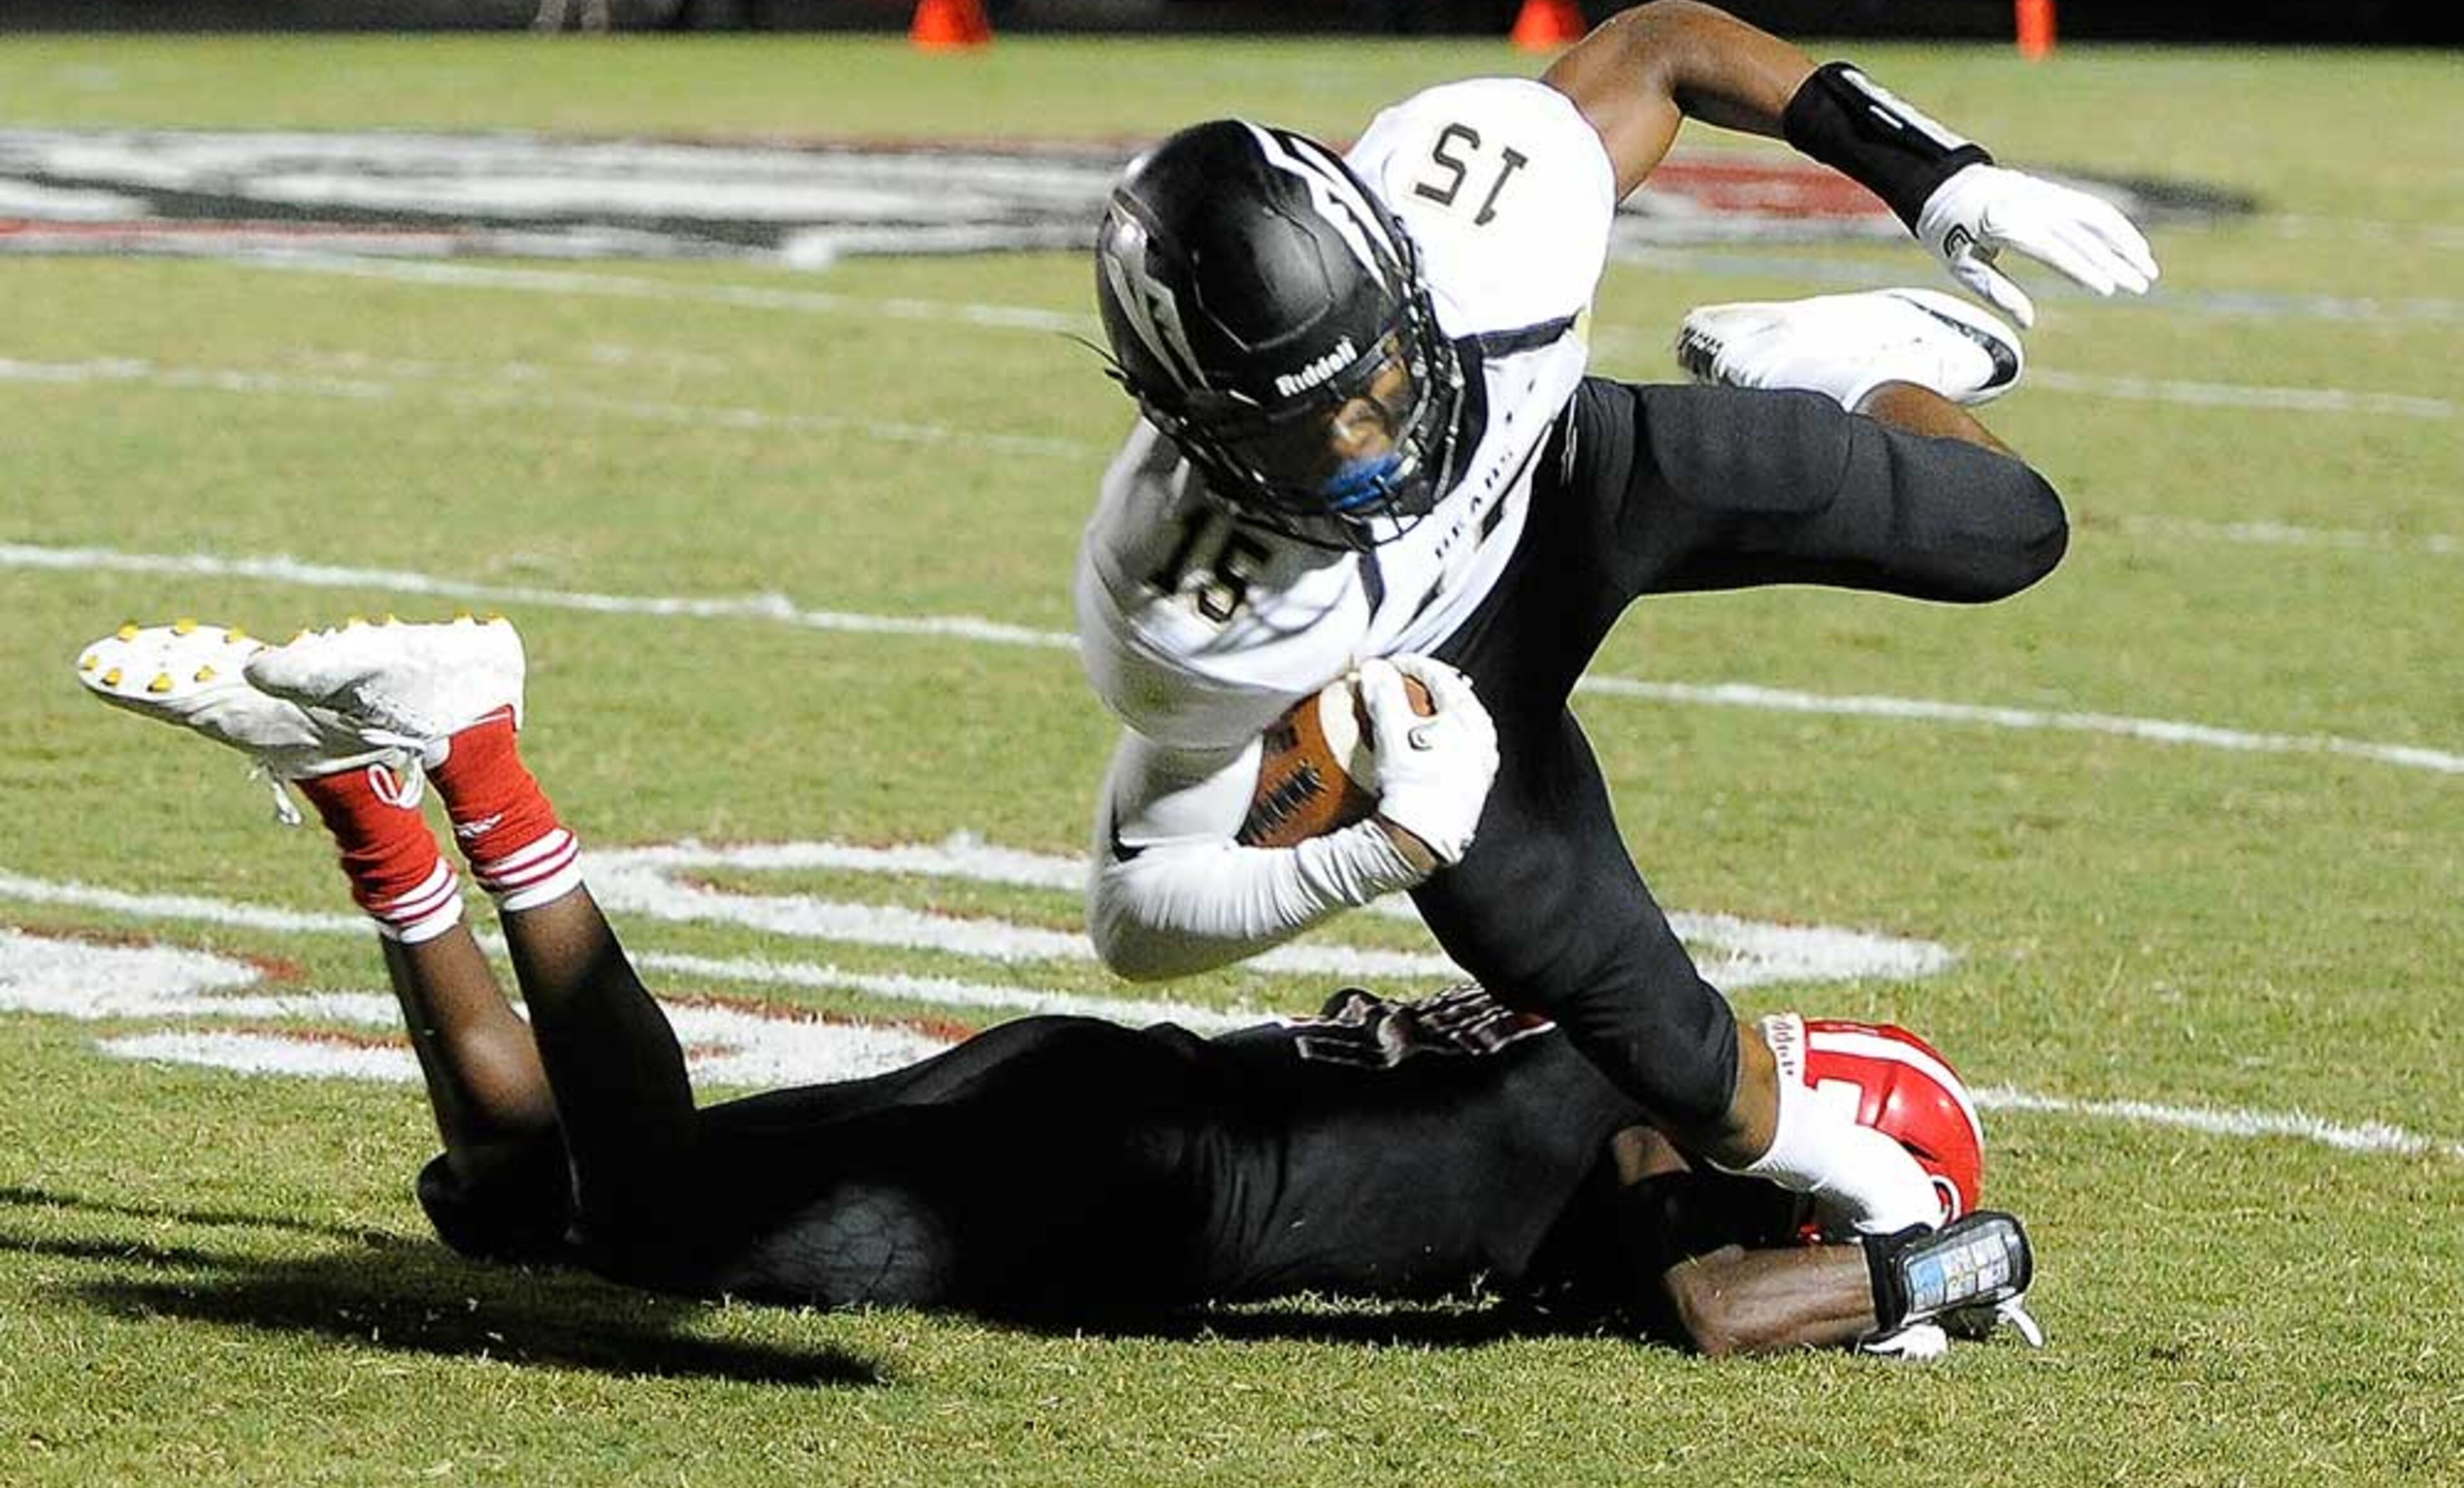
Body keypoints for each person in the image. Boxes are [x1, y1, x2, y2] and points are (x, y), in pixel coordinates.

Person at [74, 615, 2035, 1357]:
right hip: (1120, 1190)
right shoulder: (1650, 1122)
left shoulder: (1630, 1024)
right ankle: (482, 755)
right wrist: (1946, 1260)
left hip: (1101, 1092)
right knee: (652, 1217)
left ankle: (366, 800)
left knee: (526, 1198)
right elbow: (1714, 1304)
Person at [1075, 0, 2159, 1235]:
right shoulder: (1186, 600)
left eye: (1378, 377)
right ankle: (1875, 1192)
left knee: (2008, 527)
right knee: (1666, 1052)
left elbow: (1663, 47)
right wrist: (1375, 849)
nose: (1376, 440)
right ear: (1197, 433)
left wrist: (1936, 177)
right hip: (1440, 677)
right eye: (1312, 432)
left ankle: (1842, 362)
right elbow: (1136, 915)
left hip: (1571, 475)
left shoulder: (1482, 228)